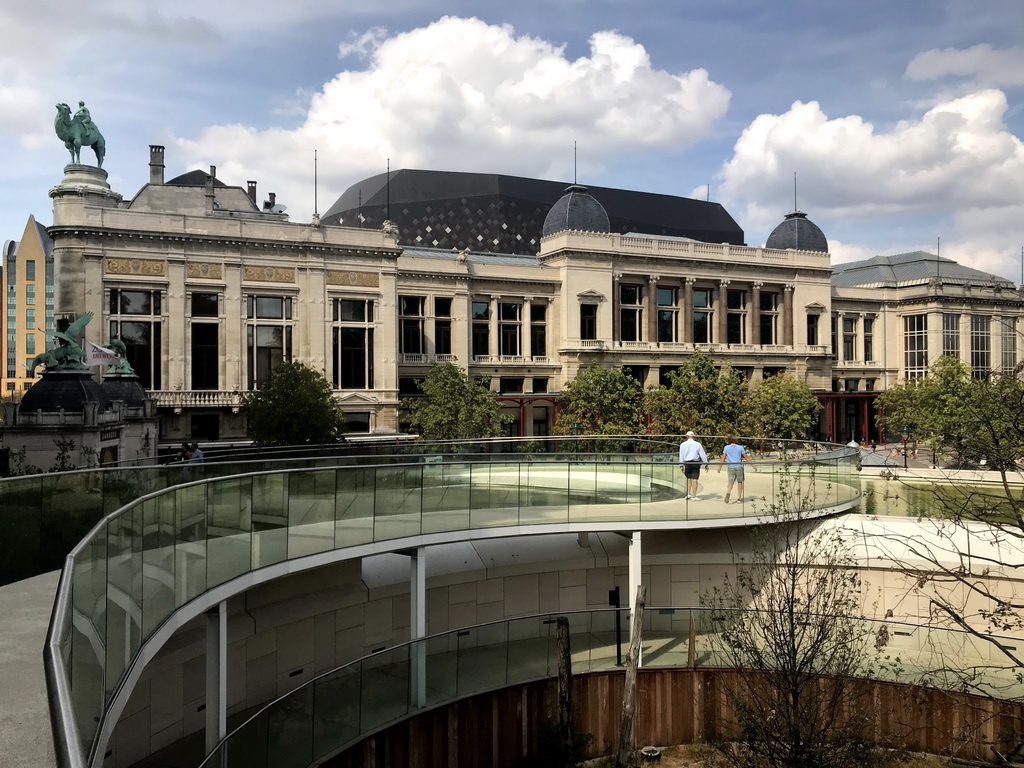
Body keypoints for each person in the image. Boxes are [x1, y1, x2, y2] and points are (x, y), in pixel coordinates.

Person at [717, 435, 752, 504]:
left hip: (730, 467)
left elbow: (723, 458)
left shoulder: (726, 447)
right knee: (740, 482)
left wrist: (720, 467)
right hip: (739, 466)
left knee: (730, 482)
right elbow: (746, 457)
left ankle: (728, 492)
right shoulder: (740, 448)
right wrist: (753, 465)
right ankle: (739, 498)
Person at [678, 431, 709, 501]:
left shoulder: (683, 444)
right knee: (695, 479)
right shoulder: (697, 444)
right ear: (693, 436)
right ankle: (694, 495)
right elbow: (702, 454)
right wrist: (706, 463)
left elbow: (681, 455)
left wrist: (681, 465)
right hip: (695, 462)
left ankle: (688, 494)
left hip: (687, 463)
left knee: (689, 478)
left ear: (687, 436)